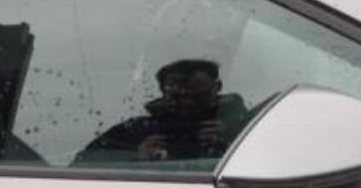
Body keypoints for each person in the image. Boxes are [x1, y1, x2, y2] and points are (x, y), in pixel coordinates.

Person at [73, 59, 251, 166]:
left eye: (196, 87)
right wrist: (136, 157)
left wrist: (232, 143)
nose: (186, 95)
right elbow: (83, 164)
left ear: (217, 87)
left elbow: (262, 170)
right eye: (175, 88)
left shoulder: (246, 127)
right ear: (162, 91)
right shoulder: (138, 130)